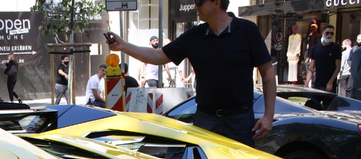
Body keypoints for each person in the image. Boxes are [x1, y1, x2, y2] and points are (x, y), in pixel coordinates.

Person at [106, 0, 275, 146]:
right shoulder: (195, 35)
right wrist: (124, 46)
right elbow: (158, 56)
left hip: (240, 119)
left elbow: (267, 73)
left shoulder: (246, 30)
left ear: (217, 2)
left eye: (200, 1)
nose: (195, 6)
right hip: (205, 118)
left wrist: (268, 116)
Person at [305, 25, 341, 93]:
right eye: (327, 33)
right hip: (318, 83)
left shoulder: (336, 48)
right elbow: (311, 67)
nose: (329, 35)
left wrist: (331, 82)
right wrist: (307, 82)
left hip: (330, 84)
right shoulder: (315, 48)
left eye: (331, 33)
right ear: (323, 34)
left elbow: (338, 67)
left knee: (328, 103)